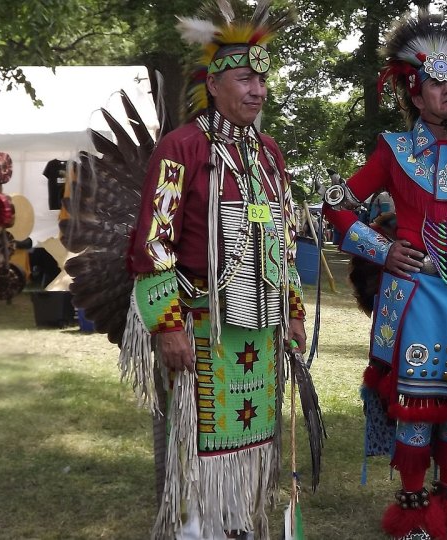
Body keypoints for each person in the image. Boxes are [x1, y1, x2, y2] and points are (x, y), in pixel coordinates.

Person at [323, 9, 447, 540]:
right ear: (415, 95)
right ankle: (411, 512)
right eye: (437, 82)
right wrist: (380, 249)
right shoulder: (392, 150)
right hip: (415, 299)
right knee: (415, 408)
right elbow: (336, 203)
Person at [123, 3, 307, 538]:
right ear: (215, 84)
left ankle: (240, 523)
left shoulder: (268, 154)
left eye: (262, 79)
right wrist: (168, 324)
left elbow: (282, 242)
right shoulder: (180, 149)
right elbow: (153, 244)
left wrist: (293, 312)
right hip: (201, 324)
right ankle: (198, 527)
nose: (258, 90)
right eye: (245, 79)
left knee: (254, 434)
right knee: (200, 439)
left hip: (259, 326)